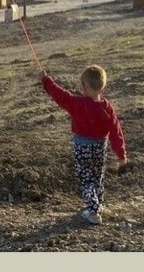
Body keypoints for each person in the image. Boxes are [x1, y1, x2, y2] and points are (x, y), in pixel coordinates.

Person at [39, 65, 128, 226]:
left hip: (83, 149)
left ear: (84, 87)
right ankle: (98, 204)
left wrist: (46, 81)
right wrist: (121, 155)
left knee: (86, 178)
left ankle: (93, 211)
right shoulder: (107, 107)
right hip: (100, 149)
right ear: (103, 87)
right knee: (97, 177)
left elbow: (60, 96)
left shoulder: (78, 104)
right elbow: (116, 131)